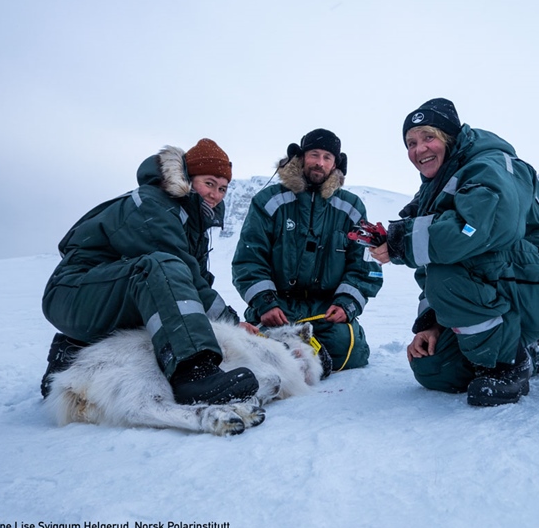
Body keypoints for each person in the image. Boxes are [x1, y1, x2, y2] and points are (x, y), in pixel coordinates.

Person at [369, 98, 539, 406]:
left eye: (428, 137)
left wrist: (401, 241)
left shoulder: (489, 164)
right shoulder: (435, 189)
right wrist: (431, 323)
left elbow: (482, 229)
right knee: (433, 368)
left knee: (451, 265)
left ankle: (507, 367)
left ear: (449, 137)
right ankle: (535, 351)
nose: (419, 149)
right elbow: (432, 261)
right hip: (513, 282)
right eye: (411, 142)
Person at [41, 139, 260, 406]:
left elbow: (198, 281)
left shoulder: (192, 219)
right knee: (162, 269)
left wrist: (230, 321)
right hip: (72, 295)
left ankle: (69, 357)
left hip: (101, 293)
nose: (215, 194)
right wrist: (231, 323)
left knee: (164, 292)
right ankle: (193, 373)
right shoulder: (154, 204)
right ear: (189, 179)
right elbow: (182, 274)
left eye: (223, 188)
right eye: (209, 183)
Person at [232, 129, 383, 372]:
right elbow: (249, 259)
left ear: (335, 163)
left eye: (327, 157)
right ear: (301, 157)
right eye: (314, 154)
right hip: (278, 308)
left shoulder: (351, 207)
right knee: (257, 354)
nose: (320, 163)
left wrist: (346, 304)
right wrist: (265, 303)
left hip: (325, 311)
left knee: (350, 352)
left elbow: (365, 264)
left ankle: (298, 361)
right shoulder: (269, 200)